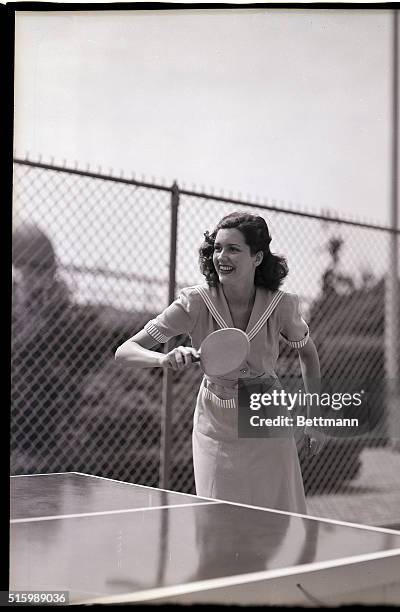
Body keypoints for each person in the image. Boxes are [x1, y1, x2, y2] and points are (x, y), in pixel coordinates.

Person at [115, 212, 326, 514]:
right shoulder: (194, 303)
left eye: (233, 249)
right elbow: (125, 350)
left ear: (257, 257)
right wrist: (164, 358)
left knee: (277, 524)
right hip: (215, 424)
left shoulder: (282, 306)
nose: (221, 256)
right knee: (217, 522)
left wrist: (314, 419)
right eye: (217, 248)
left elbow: (308, 354)